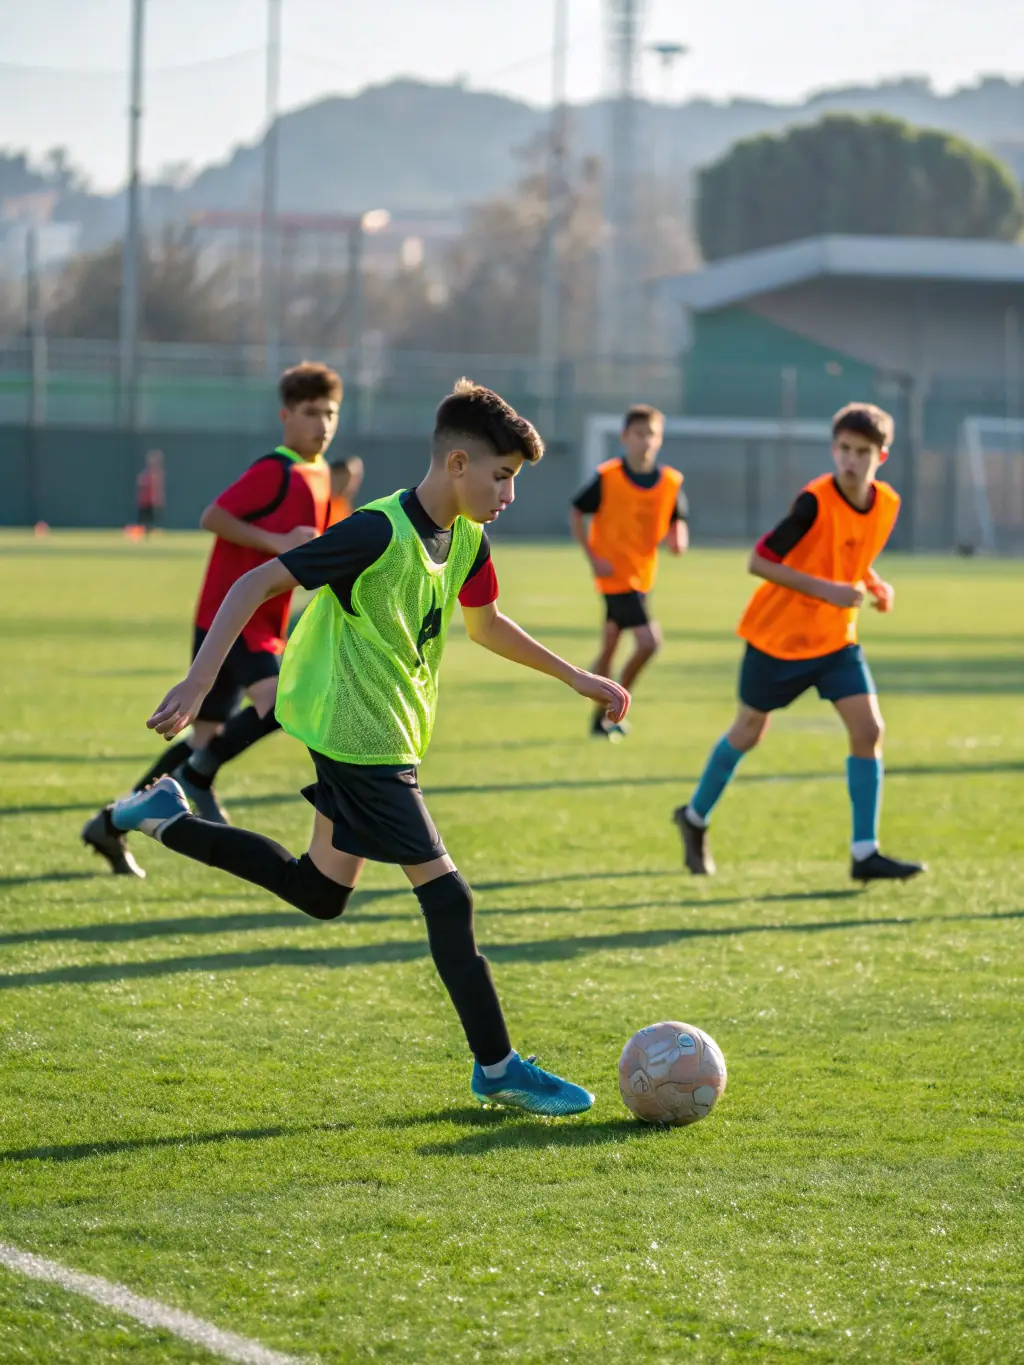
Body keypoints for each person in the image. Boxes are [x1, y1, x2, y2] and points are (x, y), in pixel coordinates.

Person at [111, 379, 628, 1116]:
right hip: (361, 740)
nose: (508, 494)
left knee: (320, 892)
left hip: (393, 737)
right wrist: (199, 682)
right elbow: (254, 582)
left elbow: (484, 624)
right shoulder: (376, 531)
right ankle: (498, 1064)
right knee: (450, 897)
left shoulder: (468, 535)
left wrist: (577, 677)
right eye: (501, 476)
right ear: (457, 463)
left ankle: (164, 815)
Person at [82, 361, 338, 878]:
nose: (323, 424)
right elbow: (213, 516)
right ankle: (198, 778)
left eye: (331, 413)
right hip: (232, 617)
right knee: (282, 703)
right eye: (311, 413)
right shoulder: (276, 469)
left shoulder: (321, 472)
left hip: (261, 622)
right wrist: (277, 544)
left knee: (203, 739)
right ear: (286, 416)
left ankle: (109, 823)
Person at [673, 402, 925, 883]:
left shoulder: (886, 504)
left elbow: (848, 554)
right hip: (778, 639)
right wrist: (831, 590)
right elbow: (760, 561)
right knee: (748, 730)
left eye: (862, 452)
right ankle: (695, 817)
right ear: (834, 449)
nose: (851, 460)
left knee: (869, 730)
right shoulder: (814, 501)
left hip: (835, 642)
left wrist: (873, 583)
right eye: (844, 449)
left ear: (882, 456)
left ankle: (864, 852)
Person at [570, 404, 687, 740]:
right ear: (625, 438)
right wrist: (592, 557)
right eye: (638, 434)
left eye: (651, 434)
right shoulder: (608, 477)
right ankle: (616, 701)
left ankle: (600, 717)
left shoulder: (669, 481)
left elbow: (678, 518)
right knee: (649, 642)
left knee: (609, 648)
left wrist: (678, 539)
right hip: (615, 576)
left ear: (660, 440)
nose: (645, 441)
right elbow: (577, 510)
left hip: (642, 575)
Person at [328, 455, 365, 526]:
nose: (353, 483)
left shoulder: (345, 507)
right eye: (350, 478)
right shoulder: (320, 504)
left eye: (356, 478)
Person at [136, 450, 165, 535]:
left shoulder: (158, 474)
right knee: (144, 518)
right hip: (145, 501)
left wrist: (158, 499)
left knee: (152, 518)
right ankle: (145, 531)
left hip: (152, 501)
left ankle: (151, 530)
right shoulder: (146, 474)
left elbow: (158, 489)